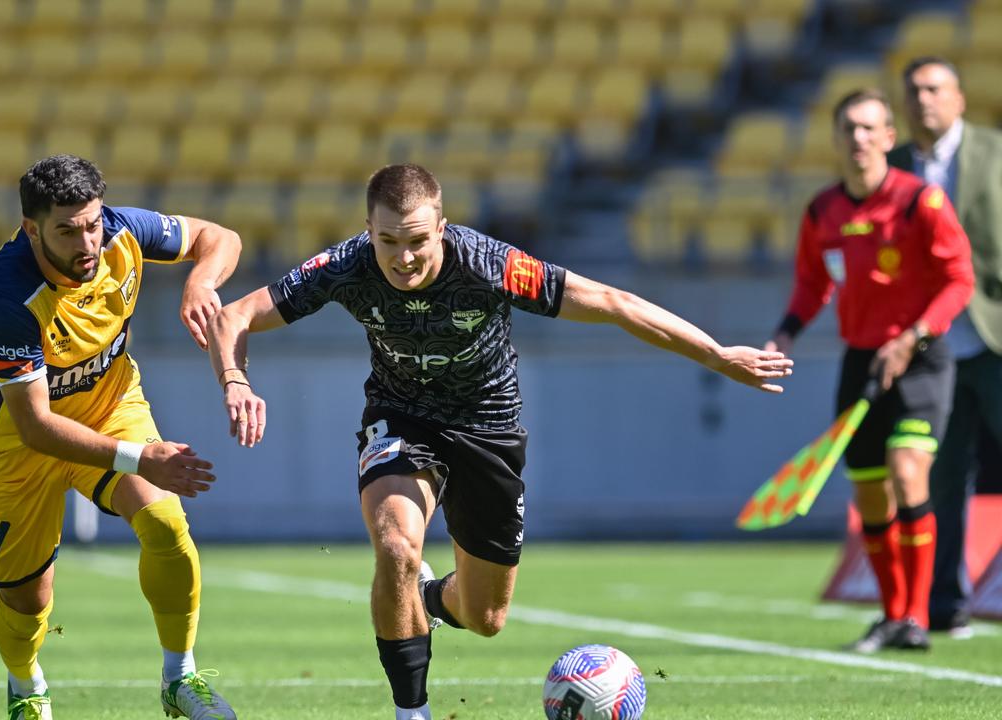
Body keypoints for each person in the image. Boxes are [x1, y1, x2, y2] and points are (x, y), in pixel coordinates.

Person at [205, 163, 794, 720]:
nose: (403, 258)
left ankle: (428, 601)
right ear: (368, 232)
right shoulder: (346, 264)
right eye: (388, 242)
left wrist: (716, 354)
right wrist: (235, 381)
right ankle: (412, 708)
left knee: (485, 617)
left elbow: (615, 304)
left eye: (417, 240)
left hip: (489, 428)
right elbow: (233, 317)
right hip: (401, 417)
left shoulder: (490, 264)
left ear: (442, 226)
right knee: (396, 548)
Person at [0, 155, 240, 720]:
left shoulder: (123, 230)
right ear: (31, 229)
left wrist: (200, 280)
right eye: (66, 230)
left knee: (165, 522)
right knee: (26, 600)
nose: (86, 241)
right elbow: (36, 424)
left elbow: (222, 237)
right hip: (20, 445)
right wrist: (140, 458)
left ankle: (180, 679)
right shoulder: (5, 296)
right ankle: (26, 687)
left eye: (91, 223)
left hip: (112, 408)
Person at [766, 90, 974, 653]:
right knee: (871, 495)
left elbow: (960, 280)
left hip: (921, 358)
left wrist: (913, 337)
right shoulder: (822, 211)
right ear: (837, 139)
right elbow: (813, 284)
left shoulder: (920, 201)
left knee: (909, 472)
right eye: (848, 129)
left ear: (888, 137)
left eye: (869, 128)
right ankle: (893, 616)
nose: (858, 138)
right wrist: (784, 333)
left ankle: (915, 617)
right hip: (860, 361)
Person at [889, 56, 1002, 639]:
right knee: (942, 478)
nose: (923, 100)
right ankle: (944, 606)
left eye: (934, 89)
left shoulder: (995, 151)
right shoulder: (894, 168)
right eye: (913, 92)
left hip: (994, 336)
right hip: (932, 350)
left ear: (958, 97)